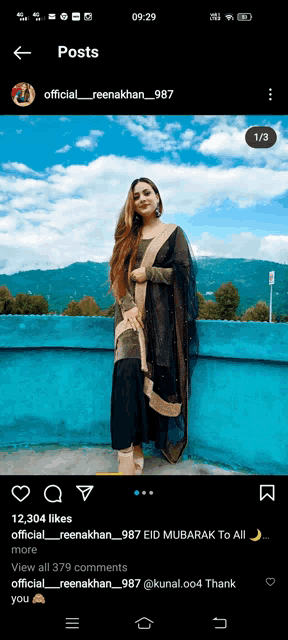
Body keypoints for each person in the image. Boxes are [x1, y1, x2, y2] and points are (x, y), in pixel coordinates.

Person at [108, 178, 199, 475]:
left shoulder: (173, 234)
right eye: (136, 196)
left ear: (158, 198)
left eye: (147, 193)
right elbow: (117, 276)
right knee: (127, 372)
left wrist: (149, 272)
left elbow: (182, 276)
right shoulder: (127, 236)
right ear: (131, 203)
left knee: (152, 380)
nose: (142, 199)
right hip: (129, 317)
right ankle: (124, 451)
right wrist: (127, 307)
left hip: (161, 320)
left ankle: (138, 445)